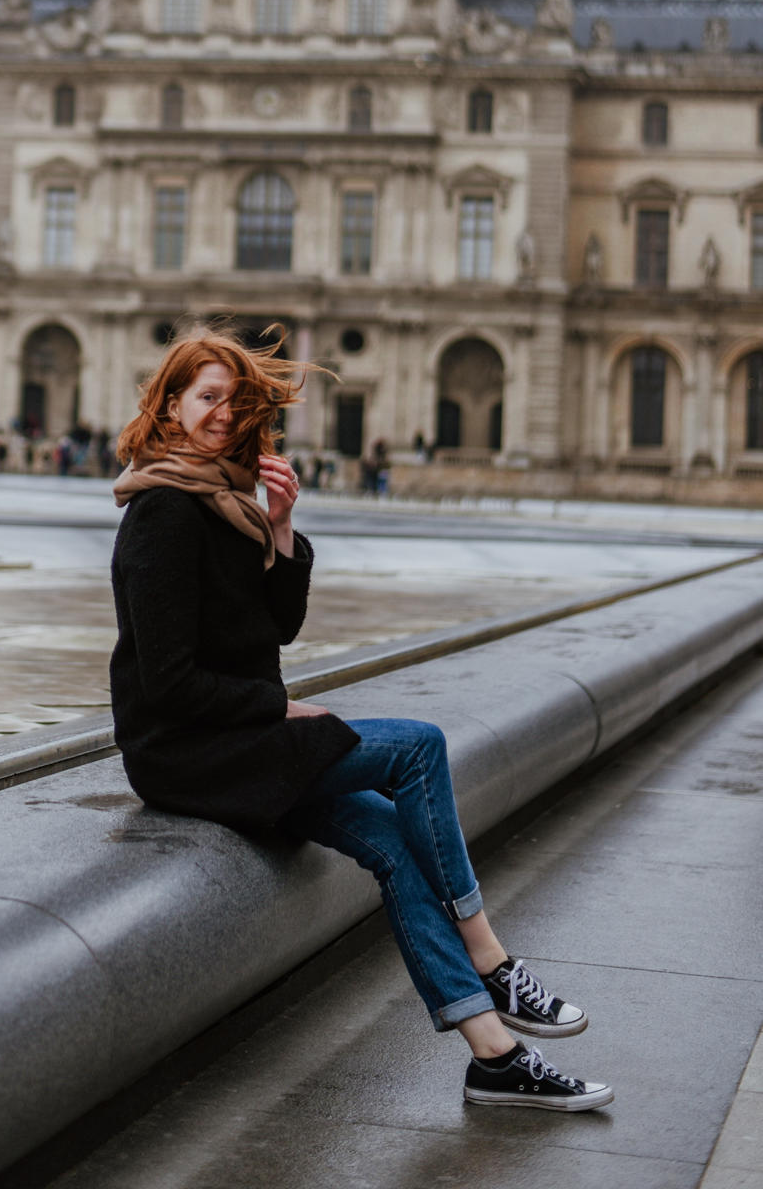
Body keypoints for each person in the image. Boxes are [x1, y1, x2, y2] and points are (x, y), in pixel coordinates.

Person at [108, 325, 612, 1114]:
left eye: (235, 403)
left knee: (392, 846)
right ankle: (491, 959)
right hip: (190, 752)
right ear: (170, 404)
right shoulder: (164, 513)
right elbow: (166, 685)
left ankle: (494, 1055)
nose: (222, 414)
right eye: (207, 397)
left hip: (237, 740)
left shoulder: (225, 500)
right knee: (416, 747)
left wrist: (279, 527)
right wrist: (279, 706)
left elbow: (275, 630)